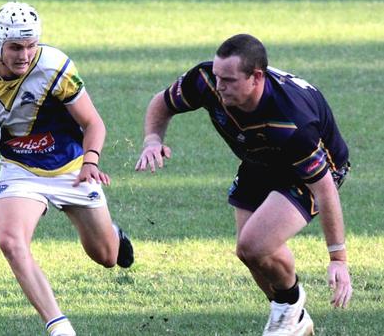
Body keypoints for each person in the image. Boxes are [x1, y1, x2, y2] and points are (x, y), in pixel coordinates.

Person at [135, 34, 352, 336]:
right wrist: (152, 140)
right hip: (259, 158)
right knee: (249, 253)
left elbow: (324, 189)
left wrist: (337, 258)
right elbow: (162, 102)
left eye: (230, 80)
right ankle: (291, 314)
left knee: (255, 243)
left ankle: (290, 309)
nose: (220, 86)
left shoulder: (291, 122)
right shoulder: (206, 80)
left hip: (310, 170)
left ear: (256, 77)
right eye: (218, 76)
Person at [0, 1, 134, 336]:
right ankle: (59, 326)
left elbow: (93, 123)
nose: (24, 55)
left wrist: (91, 162)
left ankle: (113, 235)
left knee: (106, 256)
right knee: (11, 242)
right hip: (20, 170)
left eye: (31, 46)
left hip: (73, 168)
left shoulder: (54, 66)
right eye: (16, 47)